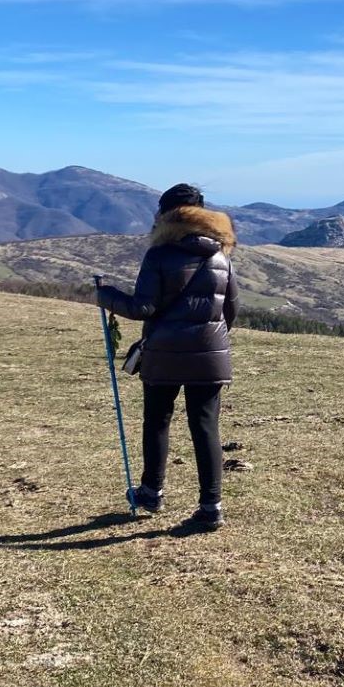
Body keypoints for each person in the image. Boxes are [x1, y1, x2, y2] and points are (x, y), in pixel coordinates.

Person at [96, 184, 239, 530]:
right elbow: (231, 312)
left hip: (164, 355)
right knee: (205, 427)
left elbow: (143, 307)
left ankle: (151, 491)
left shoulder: (159, 256)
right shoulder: (221, 257)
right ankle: (210, 507)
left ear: (165, 216)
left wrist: (105, 296)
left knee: (157, 420)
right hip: (210, 355)